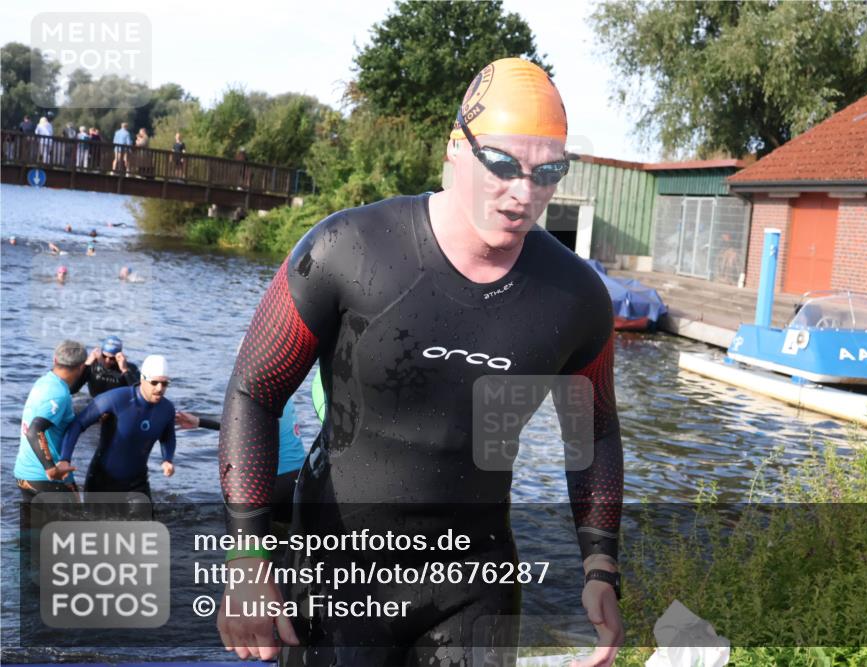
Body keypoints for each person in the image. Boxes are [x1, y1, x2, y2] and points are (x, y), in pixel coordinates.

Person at [217, 58, 623, 666]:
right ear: (457, 149)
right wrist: (249, 557)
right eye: (504, 165)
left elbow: (593, 430)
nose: (524, 192)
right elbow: (254, 390)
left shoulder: (576, 297)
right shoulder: (346, 249)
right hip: (338, 574)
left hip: (475, 584)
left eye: (548, 172)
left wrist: (599, 564)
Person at [56, 355, 176, 500]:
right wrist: (65, 459)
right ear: (142, 379)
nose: (159, 388)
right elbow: (78, 424)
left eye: (165, 384)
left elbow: (168, 436)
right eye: (154, 382)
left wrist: (167, 459)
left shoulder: (167, 409)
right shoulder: (115, 399)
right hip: (102, 481)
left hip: (137, 484)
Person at [176, 397, 306, 523]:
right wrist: (199, 422)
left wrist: (200, 422)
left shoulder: (261, 397)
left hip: (275, 482)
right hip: (301, 479)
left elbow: (239, 428)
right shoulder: (286, 396)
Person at [13, 340, 87, 501]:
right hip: (45, 478)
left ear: (55, 360)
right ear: (81, 367)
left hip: (24, 475)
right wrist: (50, 469)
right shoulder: (59, 394)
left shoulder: (44, 382)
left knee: (33, 526)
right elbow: (34, 431)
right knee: (77, 523)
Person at [70, 335, 141, 397]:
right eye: (104, 356)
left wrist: (125, 371)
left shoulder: (129, 368)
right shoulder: (92, 366)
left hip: (118, 405)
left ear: (119, 356)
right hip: (95, 401)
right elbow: (72, 390)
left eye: (112, 358)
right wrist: (86, 365)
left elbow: (140, 393)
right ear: (100, 353)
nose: (107, 360)